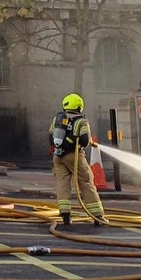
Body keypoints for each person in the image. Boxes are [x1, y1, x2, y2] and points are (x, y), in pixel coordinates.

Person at [48, 93, 107, 227]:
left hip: (58, 156)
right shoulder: (82, 121)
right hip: (73, 155)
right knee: (86, 180)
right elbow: (85, 141)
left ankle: (65, 216)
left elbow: (50, 135)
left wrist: (55, 150)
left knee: (62, 183)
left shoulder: (57, 119)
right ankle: (98, 216)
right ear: (80, 107)